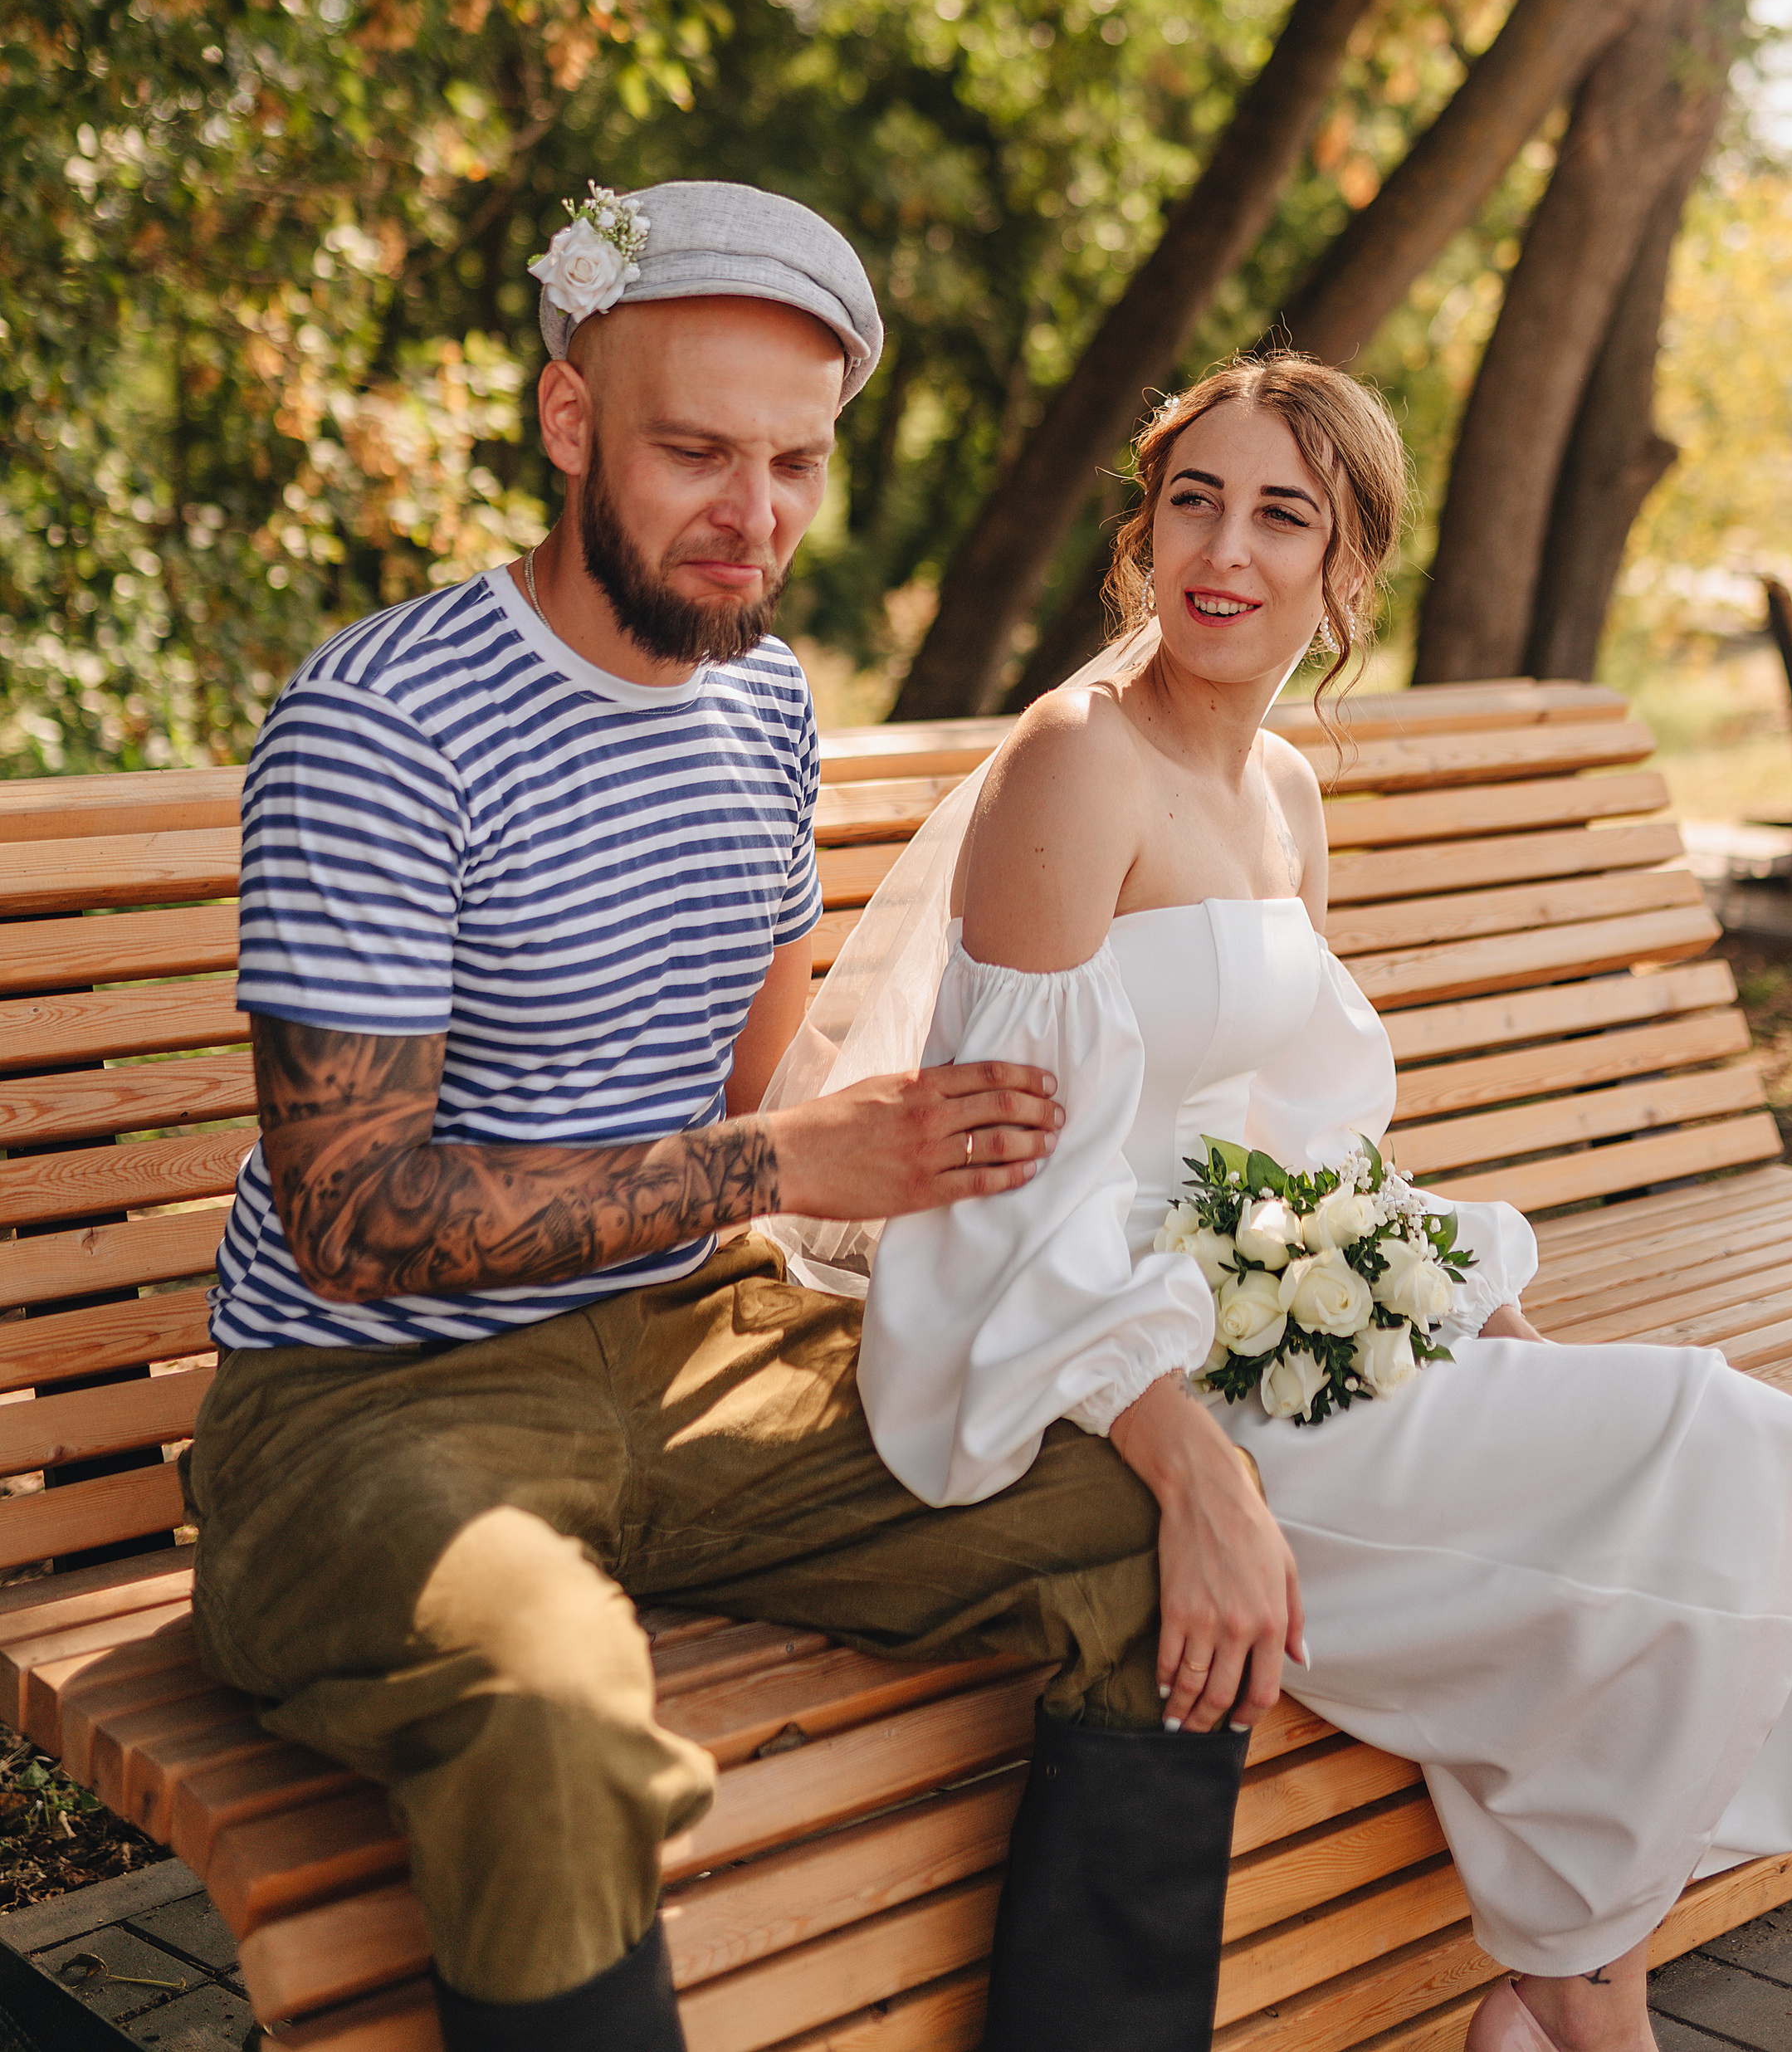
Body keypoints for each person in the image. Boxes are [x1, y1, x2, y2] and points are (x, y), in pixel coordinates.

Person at [851, 351, 1792, 2052]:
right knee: (1703, 1451)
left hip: (1272, 1310)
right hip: (1092, 1356)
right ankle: (1698, 1979)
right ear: (1140, 530)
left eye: (1280, 513)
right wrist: (1189, 1456)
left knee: (1691, 1486)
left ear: (1343, 566)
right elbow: (993, 1174)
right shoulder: (1075, 764)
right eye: (1192, 499)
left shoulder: (1280, 789)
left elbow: (1296, 1126)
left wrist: (1433, 1278)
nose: (1224, 547)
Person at [184, 180, 1252, 2052]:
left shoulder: (760, 702)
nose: (752, 512)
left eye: (796, 461)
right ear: (569, 416)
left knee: (1128, 1528)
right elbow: (354, 1213)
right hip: (366, 1399)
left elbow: (781, 1088)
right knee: (557, 1710)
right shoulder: (380, 724)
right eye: (695, 448)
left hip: (696, 1354)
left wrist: (1016, 1180)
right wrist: (777, 1167)